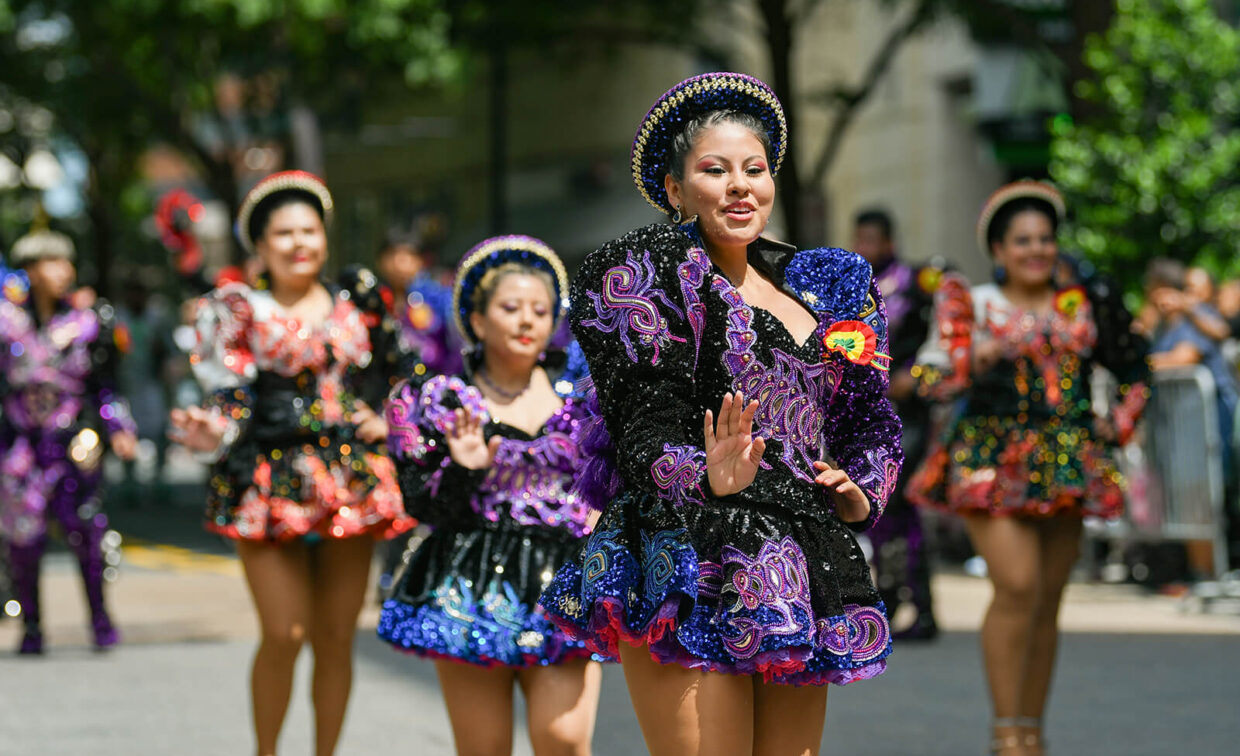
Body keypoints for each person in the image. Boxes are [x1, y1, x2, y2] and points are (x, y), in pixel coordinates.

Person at [539, 72, 903, 756]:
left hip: (800, 555)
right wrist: (704, 472)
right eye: (715, 170)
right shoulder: (649, 275)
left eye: (754, 169)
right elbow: (638, 415)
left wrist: (858, 491)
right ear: (675, 190)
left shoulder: (829, 288)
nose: (740, 186)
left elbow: (872, 420)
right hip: (686, 548)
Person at [168, 171, 414, 756]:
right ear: (260, 244)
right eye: (284, 232)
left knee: (334, 639)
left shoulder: (361, 301)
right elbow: (228, 397)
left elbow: (404, 372)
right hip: (265, 479)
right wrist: (211, 429)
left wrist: (391, 416)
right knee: (285, 633)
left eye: (310, 229)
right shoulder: (236, 308)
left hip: (350, 477)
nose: (299, 242)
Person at [908, 181, 1148, 755]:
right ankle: (1004, 731)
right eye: (1022, 241)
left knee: (1047, 599)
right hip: (991, 460)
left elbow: (1134, 366)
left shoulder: (1084, 305)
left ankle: (1030, 732)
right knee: (1016, 586)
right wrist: (972, 358)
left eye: (1045, 239)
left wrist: (1121, 418)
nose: (1036, 250)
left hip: (1069, 461)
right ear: (999, 249)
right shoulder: (975, 304)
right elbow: (930, 377)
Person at [378, 235, 605, 756]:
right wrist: (464, 468)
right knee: (485, 748)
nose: (527, 320)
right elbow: (422, 505)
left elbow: (613, 481)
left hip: (566, 580)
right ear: (478, 321)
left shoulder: (586, 401)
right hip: (470, 578)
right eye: (511, 308)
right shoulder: (443, 401)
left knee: (565, 740)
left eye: (540, 310)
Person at [0, 228, 138, 654]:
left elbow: (105, 387)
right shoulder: (7, 323)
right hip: (19, 444)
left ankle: (100, 621)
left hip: (73, 439)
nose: (62, 272)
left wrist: (117, 429)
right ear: (30, 271)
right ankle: (32, 628)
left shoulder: (88, 322)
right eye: (50, 263)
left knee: (86, 531)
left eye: (65, 262)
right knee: (23, 538)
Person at [851, 207, 940, 640]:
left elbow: (942, 336)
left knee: (901, 505)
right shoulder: (850, 287)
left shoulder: (917, 283)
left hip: (908, 417)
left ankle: (921, 607)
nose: (864, 247)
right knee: (878, 509)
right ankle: (886, 604)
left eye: (872, 239)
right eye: (858, 238)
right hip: (867, 416)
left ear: (888, 242)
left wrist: (916, 376)